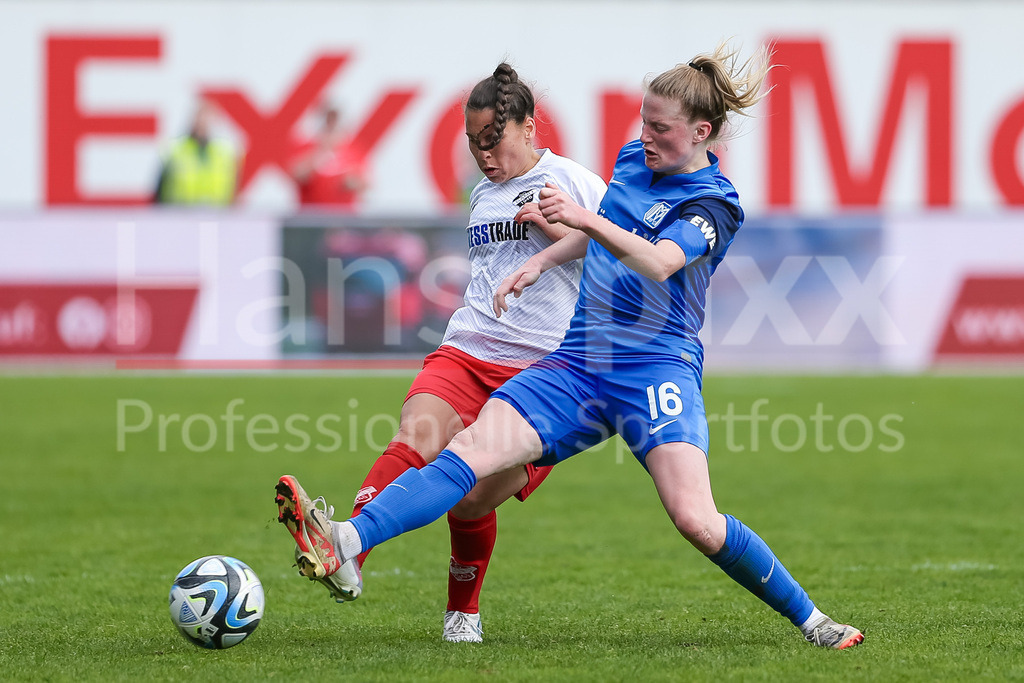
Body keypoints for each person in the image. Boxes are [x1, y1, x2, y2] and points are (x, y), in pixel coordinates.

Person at [276, 42, 865, 650]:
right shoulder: (635, 159)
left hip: (654, 370)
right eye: (643, 121)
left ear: (701, 133)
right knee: (469, 454)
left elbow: (658, 260)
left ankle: (813, 621)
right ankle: (349, 540)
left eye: (660, 128)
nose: (646, 136)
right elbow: (604, 240)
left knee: (695, 519)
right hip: (578, 362)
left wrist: (579, 221)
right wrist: (545, 260)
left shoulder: (715, 202)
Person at [276, 63, 607, 642]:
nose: (483, 155)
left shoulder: (574, 182)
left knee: (472, 496)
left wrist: (558, 232)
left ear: (528, 127)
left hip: (545, 373)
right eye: (473, 143)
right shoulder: (483, 193)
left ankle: (463, 613)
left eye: (492, 141)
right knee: (416, 436)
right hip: (468, 347)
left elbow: (620, 258)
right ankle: (347, 548)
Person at [154, 99, 240, 206]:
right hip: (179, 217)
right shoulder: (174, 151)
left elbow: (233, 192)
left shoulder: (225, 153)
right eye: (199, 118)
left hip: (216, 218)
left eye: (206, 119)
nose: (202, 124)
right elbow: (159, 192)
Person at [289, 104, 368, 208]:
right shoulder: (307, 150)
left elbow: (365, 183)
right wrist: (320, 152)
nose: (331, 129)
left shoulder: (353, 153)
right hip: (312, 217)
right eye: (328, 125)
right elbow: (297, 175)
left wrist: (351, 183)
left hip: (343, 217)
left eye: (334, 125)